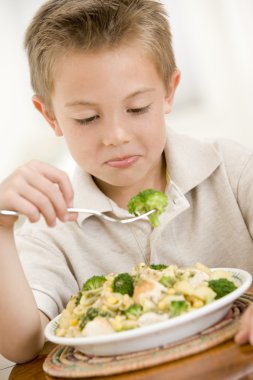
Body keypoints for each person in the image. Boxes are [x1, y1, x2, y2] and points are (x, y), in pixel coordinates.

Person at [0, 0, 252, 364]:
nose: (115, 136)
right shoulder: (50, 225)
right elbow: (21, 346)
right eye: (87, 118)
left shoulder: (232, 169)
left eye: (136, 109)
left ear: (168, 91)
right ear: (50, 116)